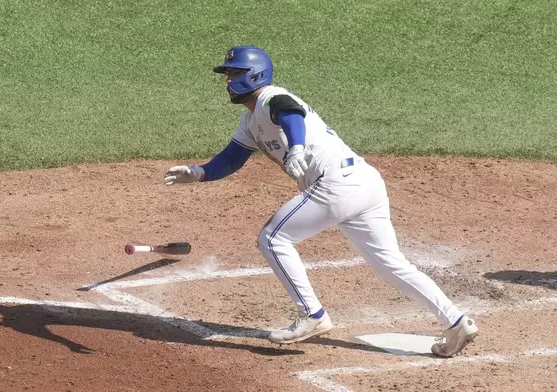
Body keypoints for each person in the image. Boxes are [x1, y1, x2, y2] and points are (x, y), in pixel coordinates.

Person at [163, 45, 478, 357]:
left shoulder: (271, 97)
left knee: (273, 238)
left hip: (337, 184)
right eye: (227, 74)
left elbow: (291, 114)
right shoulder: (250, 121)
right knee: (391, 264)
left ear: (254, 75)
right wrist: (200, 172)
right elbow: (232, 157)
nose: (228, 80)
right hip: (362, 183)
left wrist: (297, 148)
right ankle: (456, 322)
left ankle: (312, 315)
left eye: (234, 73)